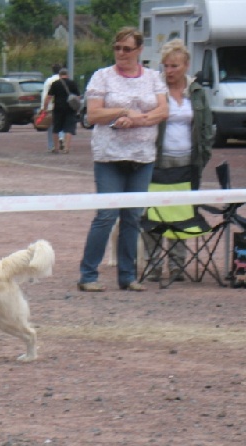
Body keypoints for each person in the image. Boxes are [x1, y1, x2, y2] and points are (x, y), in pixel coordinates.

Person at [77, 26, 168, 292]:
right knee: (106, 215)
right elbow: (94, 115)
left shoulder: (153, 78)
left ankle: (127, 276)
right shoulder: (101, 77)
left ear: (139, 50)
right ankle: (88, 274)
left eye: (127, 49)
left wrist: (137, 120)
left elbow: (163, 110)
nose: (121, 53)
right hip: (109, 157)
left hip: (142, 157)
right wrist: (123, 110)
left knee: (133, 217)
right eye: (117, 48)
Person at [143, 39, 213, 282]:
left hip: (188, 162)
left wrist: (204, 155)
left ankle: (177, 265)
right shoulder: (154, 90)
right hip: (157, 161)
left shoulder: (197, 92)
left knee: (181, 213)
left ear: (186, 65)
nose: (169, 71)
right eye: (165, 66)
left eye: (174, 66)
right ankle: (152, 266)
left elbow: (206, 128)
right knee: (153, 215)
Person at [43, 68, 80, 154]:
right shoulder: (72, 83)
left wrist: (45, 109)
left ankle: (56, 148)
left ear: (59, 75)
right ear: (67, 75)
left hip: (58, 109)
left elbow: (48, 98)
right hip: (70, 108)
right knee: (69, 128)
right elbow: (78, 97)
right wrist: (77, 108)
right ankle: (66, 148)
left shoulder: (55, 84)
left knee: (56, 128)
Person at [40, 63, 64, 153]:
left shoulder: (49, 81)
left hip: (51, 107)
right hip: (62, 106)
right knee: (61, 124)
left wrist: (43, 108)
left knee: (51, 127)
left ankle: (51, 145)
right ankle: (61, 138)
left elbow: (45, 95)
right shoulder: (63, 80)